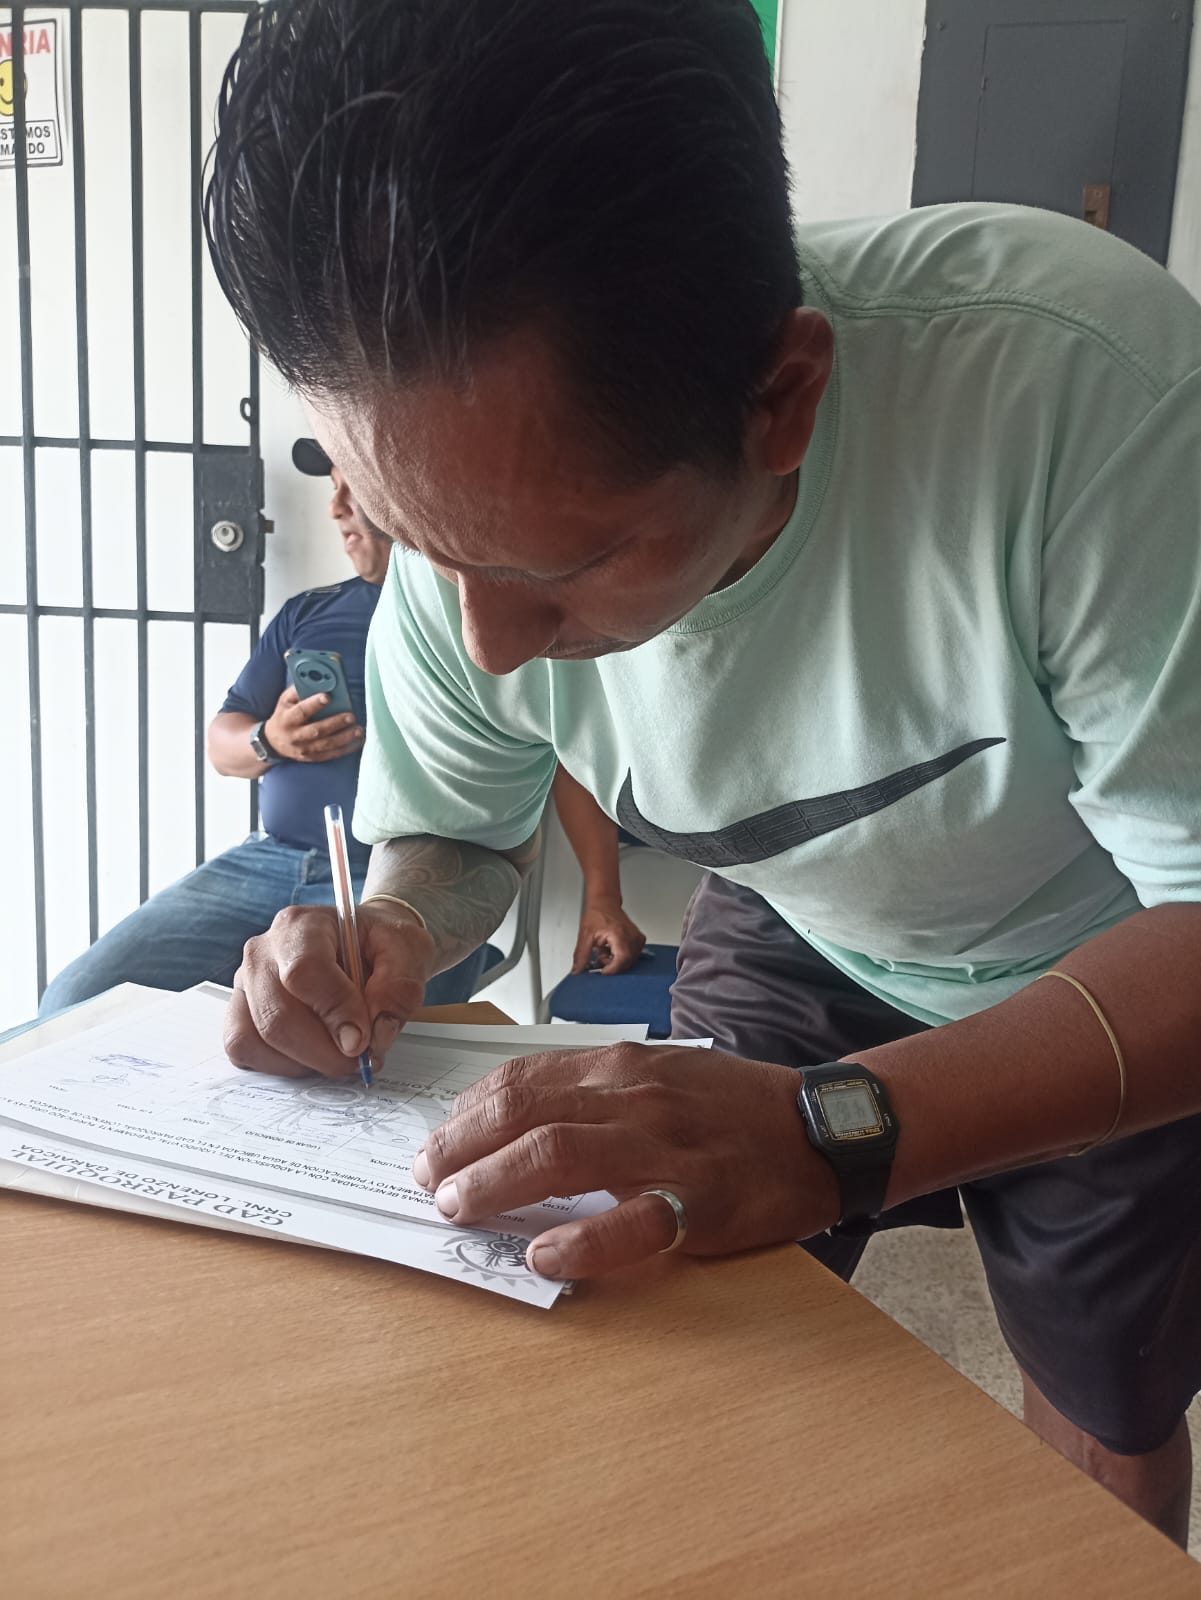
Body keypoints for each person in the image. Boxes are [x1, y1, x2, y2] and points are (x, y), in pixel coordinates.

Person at [204, 0, 1201, 1542]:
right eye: (413, 541)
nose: (488, 642)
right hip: (794, 912)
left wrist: (832, 1129)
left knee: (1096, 1399)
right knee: (642, 1300)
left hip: (1107, 951)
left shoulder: (1084, 397)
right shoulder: (468, 546)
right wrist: (394, 924)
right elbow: (458, 836)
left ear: (783, 403)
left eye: (561, 566)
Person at [40, 438, 645, 1015]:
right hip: (268, 860)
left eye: (352, 482)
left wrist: (603, 898)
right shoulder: (307, 612)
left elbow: (563, 754)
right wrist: (270, 740)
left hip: (400, 884)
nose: (335, 507)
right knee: (77, 1000)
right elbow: (222, 747)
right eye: (332, 487)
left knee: (380, 1032)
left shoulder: (483, 617)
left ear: (403, 488)